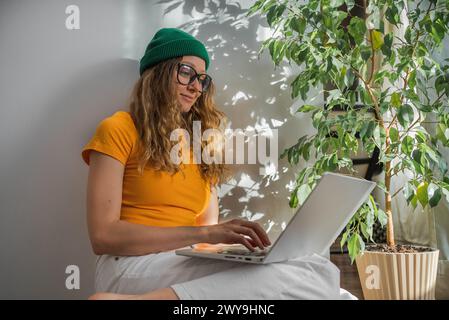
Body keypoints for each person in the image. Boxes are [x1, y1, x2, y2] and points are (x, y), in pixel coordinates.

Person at [81, 28, 340, 300]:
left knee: (319, 268)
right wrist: (208, 233)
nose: (195, 86)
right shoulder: (118, 129)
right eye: (186, 72)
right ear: (157, 73)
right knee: (295, 279)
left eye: (202, 79)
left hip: (180, 261)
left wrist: (240, 247)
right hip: (128, 265)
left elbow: (203, 237)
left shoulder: (198, 144)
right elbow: (103, 236)